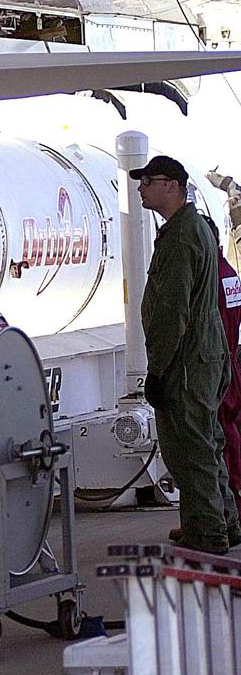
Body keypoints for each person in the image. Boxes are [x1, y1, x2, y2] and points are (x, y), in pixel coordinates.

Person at [134, 155, 241, 553]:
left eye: (149, 180)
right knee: (208, 442)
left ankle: (208, 531)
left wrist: (158, 370)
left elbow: (172, 309)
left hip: (186, 364)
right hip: (206, 358)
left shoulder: (181, 236)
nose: (142, 187)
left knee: (189, 448)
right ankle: (221, 520)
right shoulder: (194, 230)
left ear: (173, 186)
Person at [204, 216, 241, 504]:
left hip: (216, 369)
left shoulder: (210, 278)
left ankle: (229, 506)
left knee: (220, 439)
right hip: (230, 364)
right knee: (229, 432)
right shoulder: (229, 274)